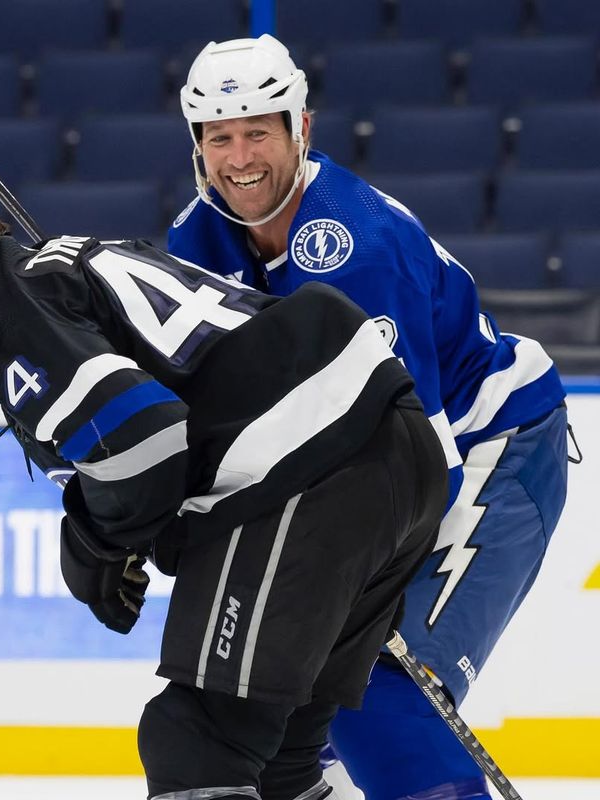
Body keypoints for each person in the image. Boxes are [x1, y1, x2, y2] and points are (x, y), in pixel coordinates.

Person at [0, 158, 448, 800]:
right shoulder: (52, 276)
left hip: (310, 467)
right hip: (385, 451)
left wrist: (93, 544)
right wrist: (114, 529)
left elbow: (141, 442)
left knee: (196, 745)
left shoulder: (6, 305)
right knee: (277, 762)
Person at [167, 34, 571, 800]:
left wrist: (351, 581)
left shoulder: (357, 247)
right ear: (197, 147)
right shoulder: (195, 241)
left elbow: (418, 460)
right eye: (220, 137)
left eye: (259, 131)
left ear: (301, 130)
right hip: (367, 474)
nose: (240, 156)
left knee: (377, 689)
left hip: (492, 452)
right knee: (285, 708)